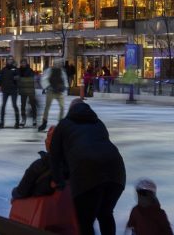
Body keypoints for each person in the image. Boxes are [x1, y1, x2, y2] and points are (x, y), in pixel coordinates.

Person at [50, 98, 126, 235]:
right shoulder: (98, 123)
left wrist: (59, 181)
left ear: (70, 110)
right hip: (116, 171)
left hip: (87, 173)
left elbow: (55, 156)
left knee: (85, 221)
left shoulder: (63, 124)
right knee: (106, 214)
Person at [12, 126, 57, 200]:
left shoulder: (39, 166)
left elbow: (21, 192)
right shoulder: (72, 165)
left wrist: (14, 192)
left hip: (38, 206)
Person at [39, 60, 68, 132]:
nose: (59, 65)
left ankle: (60, 121)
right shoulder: (49, 70)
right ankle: (44, 122)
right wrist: (48, 87)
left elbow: (65, 80)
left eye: (60, 63)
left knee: (62, 107)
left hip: (59, 92)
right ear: (54, 64)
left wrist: (65, 87)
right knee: (47, 107)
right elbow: (44, 79)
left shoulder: (62, 71)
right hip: (51, 92)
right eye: (57, 63)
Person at [0, 56, 21, 129]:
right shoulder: (4, 70)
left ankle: (17, 122)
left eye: (11, 59)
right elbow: (0, 80)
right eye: (9, 59)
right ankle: (1, 122)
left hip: (13, 90)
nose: (10, 61)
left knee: (14, 105)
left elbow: (18, 78)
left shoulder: (15, 69)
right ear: (7, 61)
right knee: (3, 106)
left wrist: (16, 78)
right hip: (5, 90)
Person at [18, 59, 38, 127]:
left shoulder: (30, 70)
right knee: (22, 106)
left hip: (30, 90)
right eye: (22, 63)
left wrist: (22, 79)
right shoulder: (19, 70)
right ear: (21, 64)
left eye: (24, 63)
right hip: (23, 90)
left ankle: (34, 119)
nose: (23, 64)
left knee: (33, 105)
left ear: (26, 63)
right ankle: (23, 119)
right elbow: (18, 80)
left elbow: (31, 79)